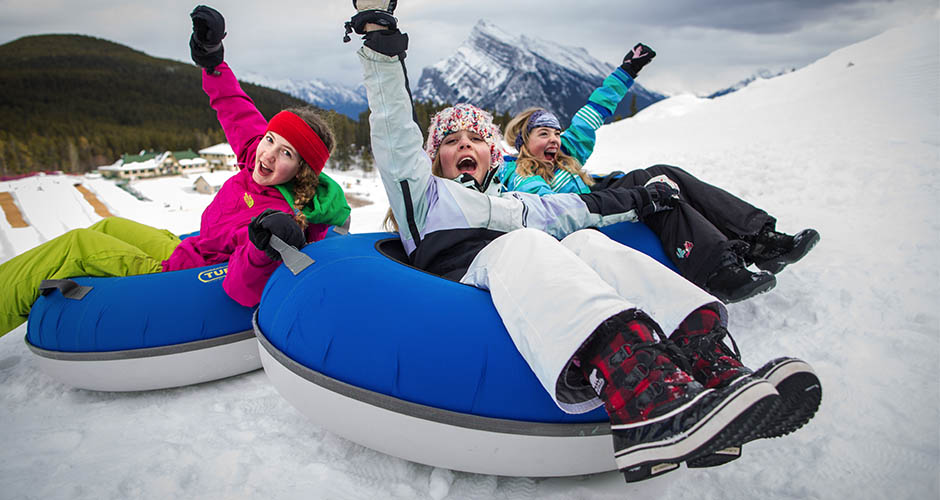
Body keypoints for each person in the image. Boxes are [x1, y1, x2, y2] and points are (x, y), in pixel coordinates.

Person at [345, 2, 820, 482]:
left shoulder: (514, 203)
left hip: (527, 277)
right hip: (459, 285)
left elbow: (574, 209)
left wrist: (643, 198)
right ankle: (640, 394)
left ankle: (708, 359)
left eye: (474, 138)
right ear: (435, 157)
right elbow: (392, 130)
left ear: (494, 155)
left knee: (587, 244)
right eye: (451, 140)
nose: (463, 146)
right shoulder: (423, 195)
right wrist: (379, 44)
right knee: (525, 245)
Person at [0, 5, 350, 336]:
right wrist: (212, 60)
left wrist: (264, 247)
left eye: (285, 152)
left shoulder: (277, 218)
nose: (268, 154)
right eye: (270, 139)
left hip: (182, 274)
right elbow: (237, 110)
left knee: (76, 245)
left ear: (302, 169)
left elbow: (243, 289)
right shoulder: (258, 160)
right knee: (109, 225)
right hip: (191, 246)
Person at [499, 53, 820, 303]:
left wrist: (627, 70)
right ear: (523, 143)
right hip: (584, 221)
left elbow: (595, 109)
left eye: (556, 132)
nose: (554, 139)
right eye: (543, 133)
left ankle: (759, 240)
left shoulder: (567, 153)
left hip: (604, 197)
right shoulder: (519, 175)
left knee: (662, 175)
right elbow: (555, 209)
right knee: (655, 192)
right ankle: (718, 271)